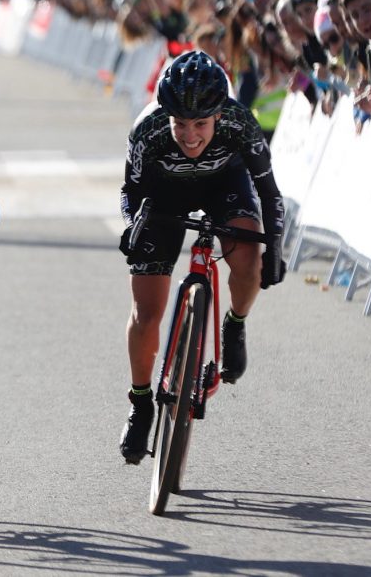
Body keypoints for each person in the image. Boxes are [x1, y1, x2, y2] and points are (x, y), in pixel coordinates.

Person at [117, 50, 286, 464]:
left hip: (223, 185)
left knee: (249, 257)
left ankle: (235, 324)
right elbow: (129, 192)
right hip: (163, 195)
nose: (190, 136)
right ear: (166, 115)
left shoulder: (240, 122)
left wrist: (275, 246)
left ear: (218, 115)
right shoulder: (149, 129)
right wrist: (132, 227)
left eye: (201, 124)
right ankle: (141, 402)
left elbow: (270, 193)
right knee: (146, 313)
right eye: (180, 124)